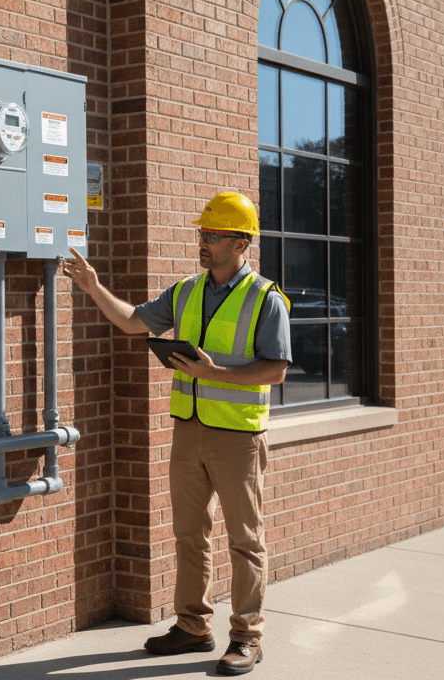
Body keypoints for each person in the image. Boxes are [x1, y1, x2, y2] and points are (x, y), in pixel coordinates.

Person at [61, 191, 290, 676]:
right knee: (189, 534)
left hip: (238, 439)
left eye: (212, 235)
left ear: (241, 242)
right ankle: (192, 625)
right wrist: (93, 287)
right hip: (189, 432)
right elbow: (131, 322)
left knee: (245, 539)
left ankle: (247, 637)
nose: (202, 241)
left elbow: (276, 371)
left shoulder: (266, 299)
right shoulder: (185, 291)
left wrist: (215, 373)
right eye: (201, 233)